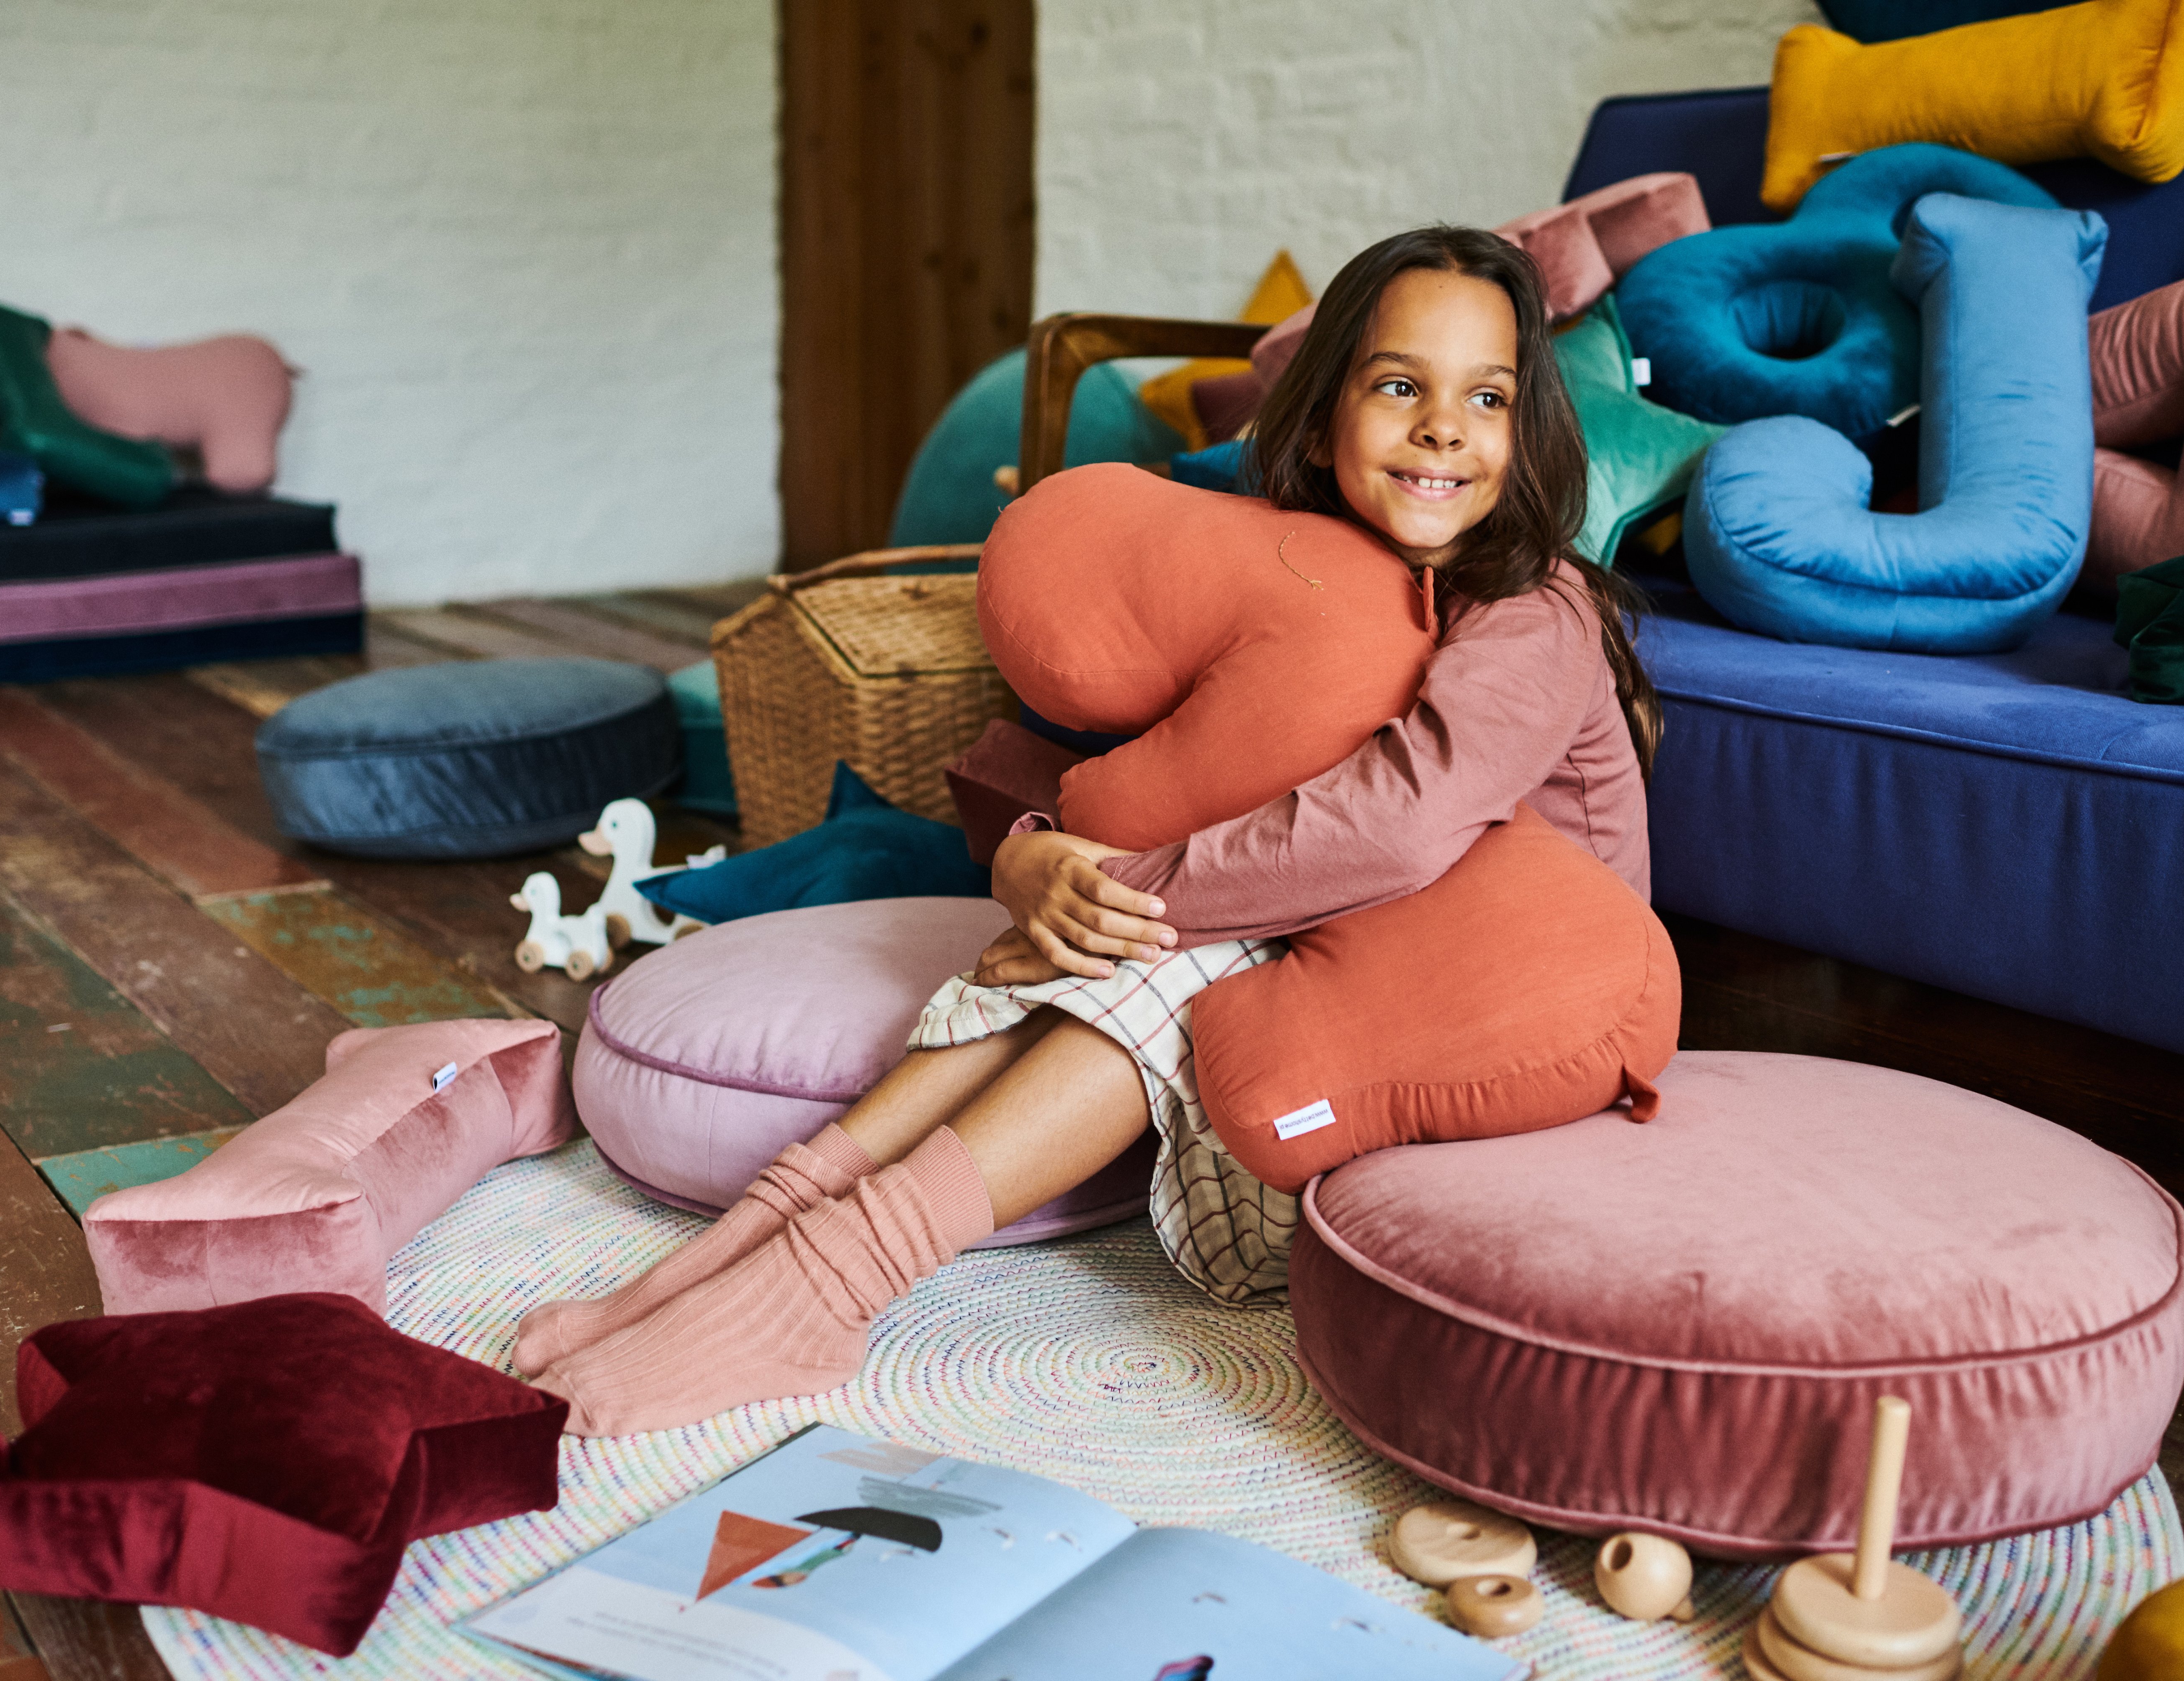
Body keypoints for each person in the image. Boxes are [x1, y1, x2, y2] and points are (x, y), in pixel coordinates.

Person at [514, 224, 1661, 1436]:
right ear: (1325, 414)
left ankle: (830, 1281)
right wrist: (1034, 860)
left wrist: (1119, 889)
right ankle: (737, 1252)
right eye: (1398, 386)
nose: (1444, 428)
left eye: (1488, 397)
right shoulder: (1315, 578)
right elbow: (1145, 774)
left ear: (1525, 430)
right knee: (1145, 935)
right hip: (1330, 925)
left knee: (1162, 958)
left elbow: (1397, 829)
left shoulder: (1535, 610)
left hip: (1511, 995)